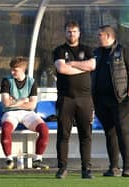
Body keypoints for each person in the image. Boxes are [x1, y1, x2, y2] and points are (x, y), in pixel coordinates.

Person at [92, 25, 129, 177]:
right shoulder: (96, 53)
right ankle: (114, 167)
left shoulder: (123, 50)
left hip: (120, 99)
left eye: (100, 35)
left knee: (122, 132)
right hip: (100, 100)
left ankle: (127, 168)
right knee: (109, 133)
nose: (97, 37)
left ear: (109, 36)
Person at [53, 21, 96, 179]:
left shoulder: (87, 49)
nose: (72, 34)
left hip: (85, 99)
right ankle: (62, 168)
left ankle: (86, 169)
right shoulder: (59, 50)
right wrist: (82, 67)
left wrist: (73, 64)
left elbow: (92, 65)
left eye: (75, 31)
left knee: (86, 135)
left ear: (79, 33)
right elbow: (62, 68)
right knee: (63, 135)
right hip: (66, 99)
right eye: (69, 32)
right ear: (65, 33)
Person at [0, 56, 49, 170]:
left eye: (15, 70)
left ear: (23, 70)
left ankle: (37, 159)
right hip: (11, 113)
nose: (12, 72)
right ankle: (9, 159)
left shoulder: (31, 82)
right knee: (6, 128)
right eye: (11, 70)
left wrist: (15, 102)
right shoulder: (6, 80)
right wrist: (22, 100)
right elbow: (6, 103)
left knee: (44, 129)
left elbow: (32, 105)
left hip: (28, 113)